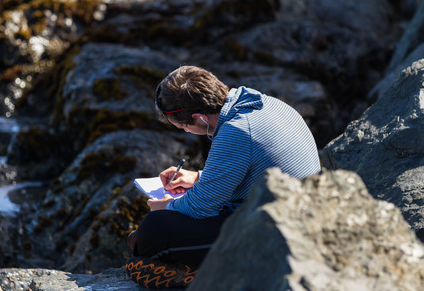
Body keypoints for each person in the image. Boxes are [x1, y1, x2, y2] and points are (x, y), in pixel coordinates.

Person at [125, 66, 321, 289]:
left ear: (199, 117)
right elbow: (252, 166)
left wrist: (166, 206)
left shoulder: (236, 132)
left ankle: (203, 275)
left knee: (153, 228)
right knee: (143, 237)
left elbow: (201, 207)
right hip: (304, 215)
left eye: (183, 126)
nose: (186, 132)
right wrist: (198, 177)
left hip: (279, 237)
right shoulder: (264, 103)